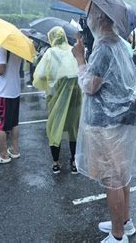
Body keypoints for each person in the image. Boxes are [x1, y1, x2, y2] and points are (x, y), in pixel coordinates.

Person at [72, 3, 136, 243]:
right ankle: (125, 222)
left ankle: (117, 236)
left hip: (108, 122)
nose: (88, 19)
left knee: (112, 176)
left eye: (90, 14)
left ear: (100, 18)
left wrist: (80, 59)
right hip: (123, 119)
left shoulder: (104, 47)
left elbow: (90, 86)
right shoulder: (118, 44)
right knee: (121, 172)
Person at [33, 26, 82, 174]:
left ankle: (55, 163)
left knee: (55, 126)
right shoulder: (74, 50)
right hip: (75, 95)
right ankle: (74, 161)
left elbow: (40, 75)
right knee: (74, 127)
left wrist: (51, 81)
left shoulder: (50, 52)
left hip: (56, 96)